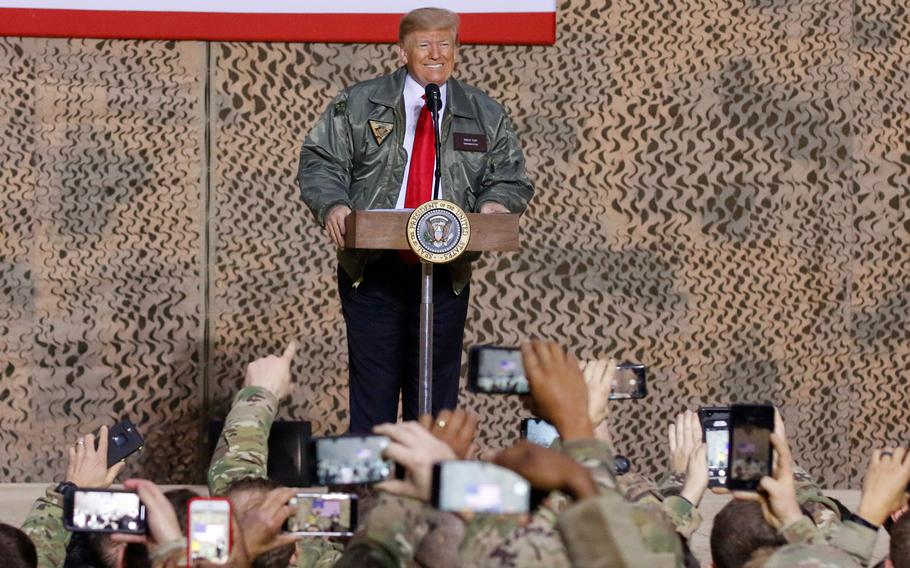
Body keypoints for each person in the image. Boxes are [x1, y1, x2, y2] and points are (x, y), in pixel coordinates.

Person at [297, 7, 534, 433]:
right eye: (424, 45)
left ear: (457, 50)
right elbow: (321, 161)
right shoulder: (358, 103)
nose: (436, 54)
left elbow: (510, 177)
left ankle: (427, 490)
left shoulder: (484, 112)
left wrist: (496, 205)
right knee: (374, 388)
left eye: (445, 44)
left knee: (435, 396)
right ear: (402, 50)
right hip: (372, 267)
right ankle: (373, 492)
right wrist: (333, 205)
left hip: (447, 266)